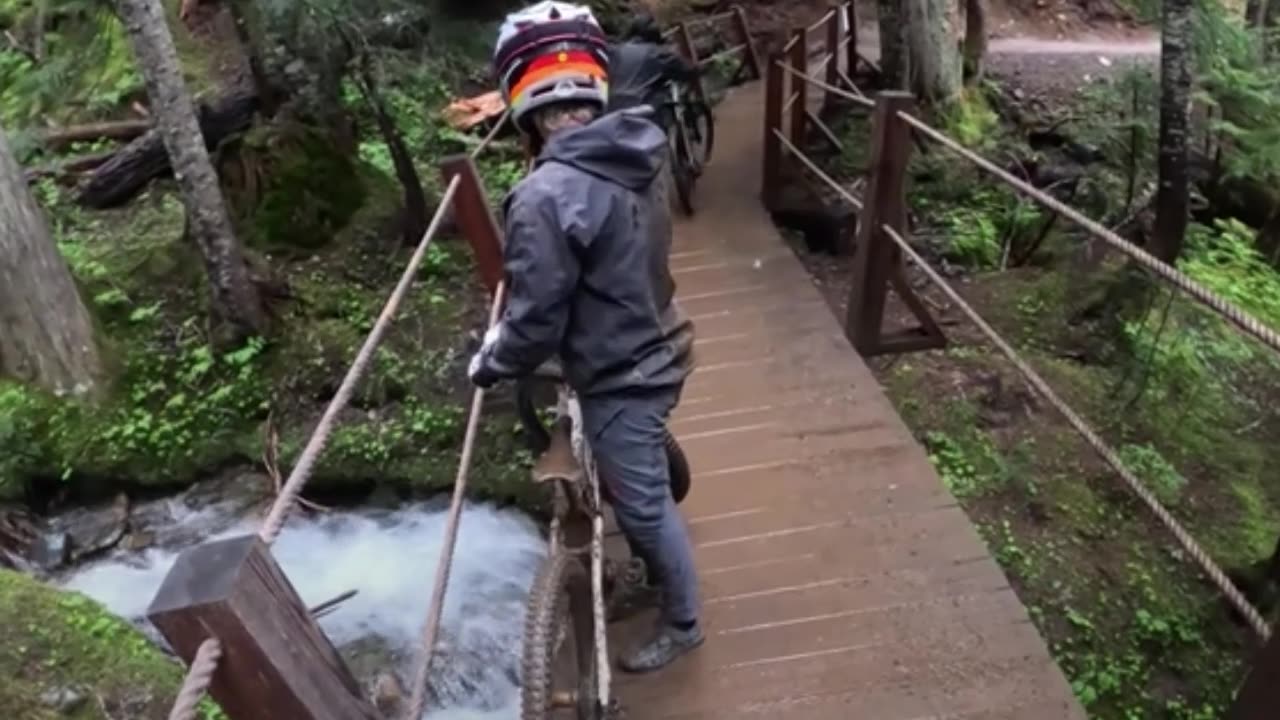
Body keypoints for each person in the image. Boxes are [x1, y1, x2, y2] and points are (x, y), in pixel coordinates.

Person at [470, 0, 703, 673]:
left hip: (620, 370)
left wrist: (493, 361)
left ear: (522, 95)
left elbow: (537, 313)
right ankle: (663, 568)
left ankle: (684, 621)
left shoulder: (545, 197)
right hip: (662, 337)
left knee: (645, 505)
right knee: (643, 474)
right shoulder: (640, 148)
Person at [605, 11, 700, 130]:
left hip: (610, 110)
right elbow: (687, 69)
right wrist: (696, 69)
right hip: (643, 109)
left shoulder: (616, 50)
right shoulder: (657, 52)